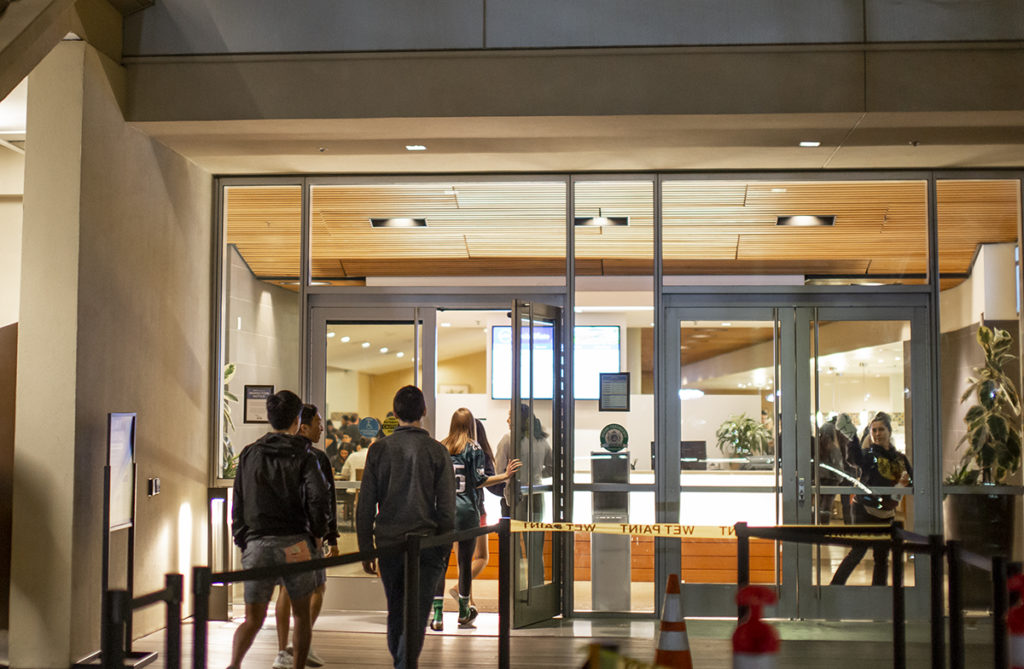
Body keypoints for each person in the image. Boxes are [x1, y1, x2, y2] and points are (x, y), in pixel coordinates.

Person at [230, 390, 331, 669]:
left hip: (257, 543)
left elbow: (238, 499)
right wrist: (318, 533)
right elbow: (318, 497)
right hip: (296, 543)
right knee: (301, 615)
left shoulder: (250, 453)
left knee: (253, 618)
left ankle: (234, 664)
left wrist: (243, 538)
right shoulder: (305, 455)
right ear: (298, 420)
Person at [357, 386, 456, 668]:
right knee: (417, 614)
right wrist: (444, 548)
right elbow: (447, 509)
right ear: (424, 412)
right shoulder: (437, 451)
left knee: (396, 612)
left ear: (395, 412)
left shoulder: (379, 450)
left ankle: (401, 662)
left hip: (389, 543)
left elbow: (365, 505)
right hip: (426, 545)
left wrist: (366, 549)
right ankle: (404, 664)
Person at [430, 409, 519, 631]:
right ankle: (463, 612)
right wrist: (505, 475)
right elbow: (479, 480)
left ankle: (438, 616)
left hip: (442, 511)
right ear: (471, 425)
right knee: (465, 564)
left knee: (440, 564)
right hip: (467, 512)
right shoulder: (474, 447)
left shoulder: (440, 446)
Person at [272, 404, 339, 669]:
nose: (322, 427)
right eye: (318, 422)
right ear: (303, 426)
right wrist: (329, 536)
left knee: (285, 589)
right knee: (317, 587)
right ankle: (302, 644)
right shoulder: (315, 458)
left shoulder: (277, 455)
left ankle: (283, 650)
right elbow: (325, 500)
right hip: (308, 535)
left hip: (281, 532)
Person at [830, 411, 912, 585]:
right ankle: (834, 587)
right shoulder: (869, 455)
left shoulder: (900, 459)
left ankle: (878, 592)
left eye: (881, 430)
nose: (877, 434)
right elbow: (855, 459)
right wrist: (852, 437)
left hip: (886, 512)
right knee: (858, 551)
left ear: (889, 432)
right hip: (863, 510)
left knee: (882, 556)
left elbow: (912, 480)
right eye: (873, 430)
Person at [834, 413, 861, 525]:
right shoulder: (851, 436)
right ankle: (850, 524)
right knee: (849, 501)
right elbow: (855, 456)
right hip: (849, 472)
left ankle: (848, 523)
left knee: (844, 501)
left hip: (839, 471)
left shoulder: (836, 435)